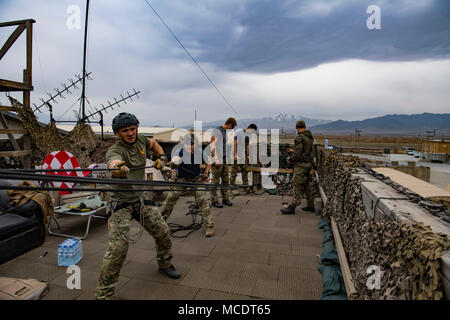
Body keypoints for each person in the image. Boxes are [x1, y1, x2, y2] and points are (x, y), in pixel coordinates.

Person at [95, 112, 180, 300]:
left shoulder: (141, 140)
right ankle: (103, 294)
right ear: (118, 133)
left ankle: (165, 264)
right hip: (120, 202)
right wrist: (118, 168)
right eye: (125, 131)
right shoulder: (115, 150)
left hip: (139, 198)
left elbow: (154, 144)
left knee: (162, 231)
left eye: (133, 129)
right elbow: (113, 161)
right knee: (118, 248)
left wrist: (162, 157)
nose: (130, 133)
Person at [160, 133, 215, 237]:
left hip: (196, 179)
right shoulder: (178, 152)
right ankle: (160, 223)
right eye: (187, 144)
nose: (189, 146)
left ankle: (209, 226)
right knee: (171, 198)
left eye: (192, 144)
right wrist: (173, 164)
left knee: (202, 200)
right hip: (182, 179)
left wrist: (206, 173)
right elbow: (172, 166)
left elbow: (209, 162)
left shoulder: (199, 152)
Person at [280, 120, 315, 215]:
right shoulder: (309, 137)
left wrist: (290, 159)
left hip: (301, 165)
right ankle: (311, 204)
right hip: (308, 164)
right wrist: (294, 151)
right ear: (305, 126)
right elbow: (305, 150)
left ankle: (292, 206)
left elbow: (298, 154)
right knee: (306, 184)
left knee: (297, 184)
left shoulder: (299, 138)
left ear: (296, 127)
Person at [209, 117, 236, 208]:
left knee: (225, 179)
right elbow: (212, 144)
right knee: (216, 180)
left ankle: (225, 199)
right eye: (232, 127)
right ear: (230, 124)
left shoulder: (224, 132)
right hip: (217, 157)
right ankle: (214, 200)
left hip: (224, 158)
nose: (232, 129)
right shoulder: (217, 131)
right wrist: (216, 158)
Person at [230, 124, 258, 193]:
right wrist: (235, 154)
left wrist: (248, 155)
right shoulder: (239, 132)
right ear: (248, 128)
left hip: (243, 155)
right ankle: (231, 186)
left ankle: (245, 186)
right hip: (236, 154)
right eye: (251, 131)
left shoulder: (248, 136)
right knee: (234, 171)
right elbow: (234, 143)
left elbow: (247, 144)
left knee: (244, 171)